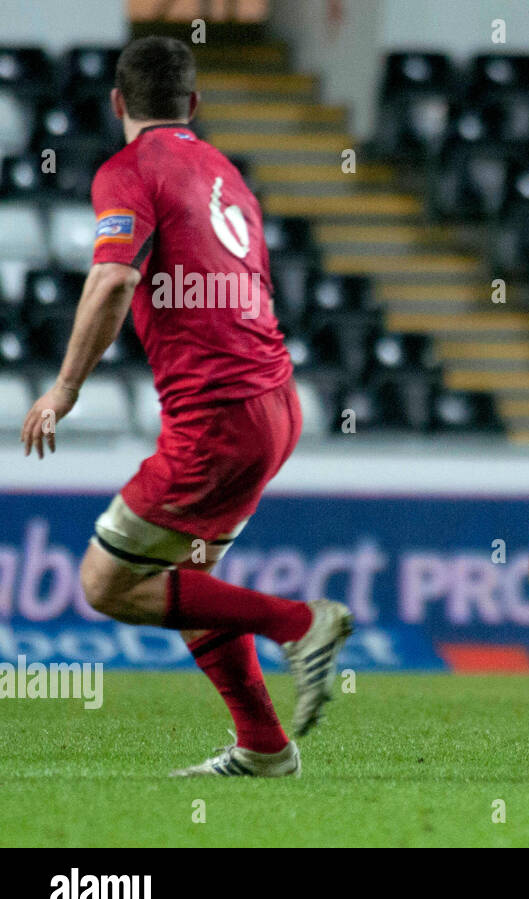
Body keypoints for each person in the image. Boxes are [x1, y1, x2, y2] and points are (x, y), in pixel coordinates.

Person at [19, 37, 353, 778]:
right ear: (193, 105)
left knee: (105, 584)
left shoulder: (128, 170)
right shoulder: (227, 173)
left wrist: (65, 387)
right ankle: (265, 747)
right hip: (275, 403)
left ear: (117, 104)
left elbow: (111, 283)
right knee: (191, 580)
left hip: (218, 418)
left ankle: (300, 625)